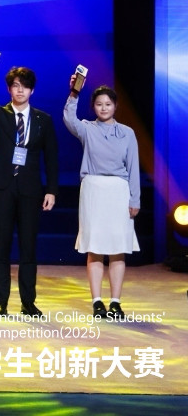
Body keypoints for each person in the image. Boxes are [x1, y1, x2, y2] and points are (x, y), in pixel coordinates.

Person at [0, 62, 59, 318]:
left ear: (32, 90)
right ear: (9, 89)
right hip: (3, 186)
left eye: (25, 86)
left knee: (28, 247)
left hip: (30, 189)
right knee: (2, 245)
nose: (20, 90)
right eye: (16, 86)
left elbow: (51, 157)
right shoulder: (0, 113)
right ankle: (1, 301)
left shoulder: (43, 120)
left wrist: (51, 190)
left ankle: (28, 302)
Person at [63, 81, 141, 319]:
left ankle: (115, 302)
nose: (104, 108)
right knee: (95, 248)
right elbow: (69, 118)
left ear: (115, 106)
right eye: (99, 104)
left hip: (119, 191)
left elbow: (133, 168)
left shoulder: (127, 133)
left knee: (117, 249)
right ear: (93, 107)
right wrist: (74, 92)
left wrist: (135, 199)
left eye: (108, 104)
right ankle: (97, 302)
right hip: (94, 191)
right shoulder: (87, 129)